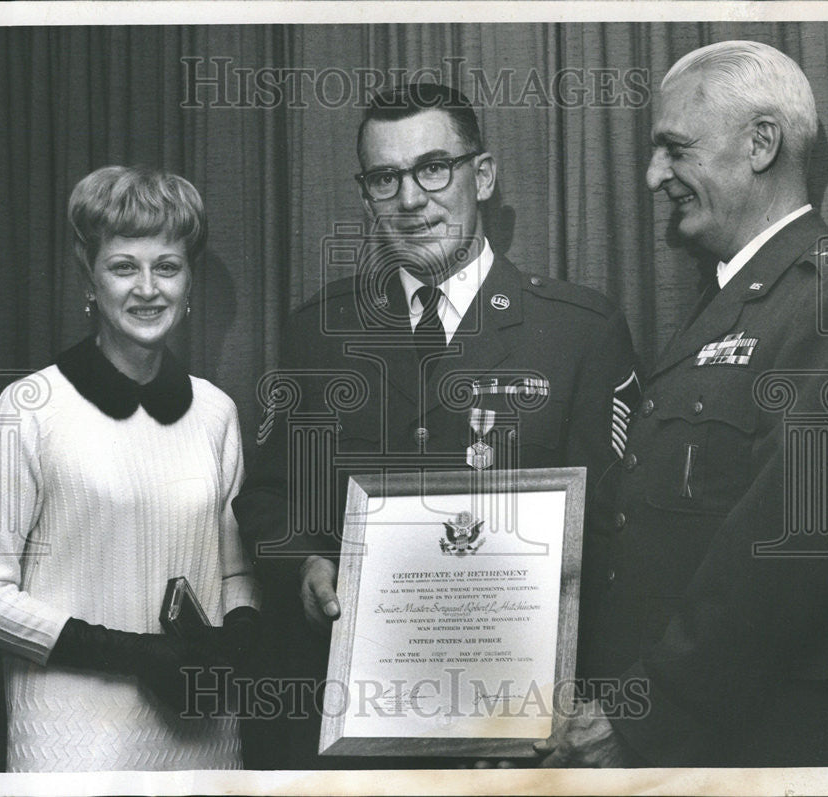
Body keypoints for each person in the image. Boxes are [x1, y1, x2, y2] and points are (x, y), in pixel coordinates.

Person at [233, 82, 639, 768]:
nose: (411, 199)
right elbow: (270, 496)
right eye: (385, 178)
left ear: (481, 176)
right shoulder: (321, 333)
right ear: (366, 196)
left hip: (519, 731)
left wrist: (579, 700)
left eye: (432, 168)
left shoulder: (578, 333)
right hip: (362, 733)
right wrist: (302, 562)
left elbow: (616, 541)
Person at [534, 40, 828, 767]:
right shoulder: (729, 299)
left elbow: (786, 548)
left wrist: (642, 712)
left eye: (675, 149)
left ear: (762, 144)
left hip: (762, 740)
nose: (654, 175)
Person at [0, 165, 262, 771]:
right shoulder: (30, 407)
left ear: (189, 281)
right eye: (124, 267)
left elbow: (233, 574)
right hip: (73, 748)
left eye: (166, 266)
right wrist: (130, 653)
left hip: (205, 746)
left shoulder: (216, 411)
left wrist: (238, 638)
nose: (148, 288)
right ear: (88, 278)